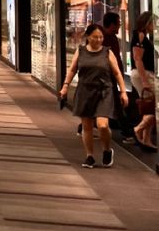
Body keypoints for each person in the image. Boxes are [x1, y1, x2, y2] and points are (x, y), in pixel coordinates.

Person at [59, 22, 128, 168]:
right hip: (85, 90)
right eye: (95, 37)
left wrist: (123, 92)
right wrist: (65, 86)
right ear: (88, 37)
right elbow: (72, 70)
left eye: (101, 37)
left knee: (102, 125)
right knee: (87, 126)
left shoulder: (107, 52)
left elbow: (117, 73)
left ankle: (107, 150)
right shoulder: (81, 51)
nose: (98, 40)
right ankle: (89, 156)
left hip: (104, 91)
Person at [102, 11, 134, 144]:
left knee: (114, 104)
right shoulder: (103, 38)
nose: (120, 26)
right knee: (117, 105)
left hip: (111, 77)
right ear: (112, 25)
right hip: (105, 78)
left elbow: (117, 62)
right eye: (118, 24)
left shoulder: (113, 38)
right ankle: (127, 133)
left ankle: (126, 132)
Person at [130, 11, 157, 149]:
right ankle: (138, 129)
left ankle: (146, 139)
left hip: (145, 74)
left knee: (150, 106)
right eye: (153, 22)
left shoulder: (141, 36)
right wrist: (145, 79)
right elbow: (138, 58)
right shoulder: (140, 36)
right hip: (144, 74)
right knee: (155, 106)